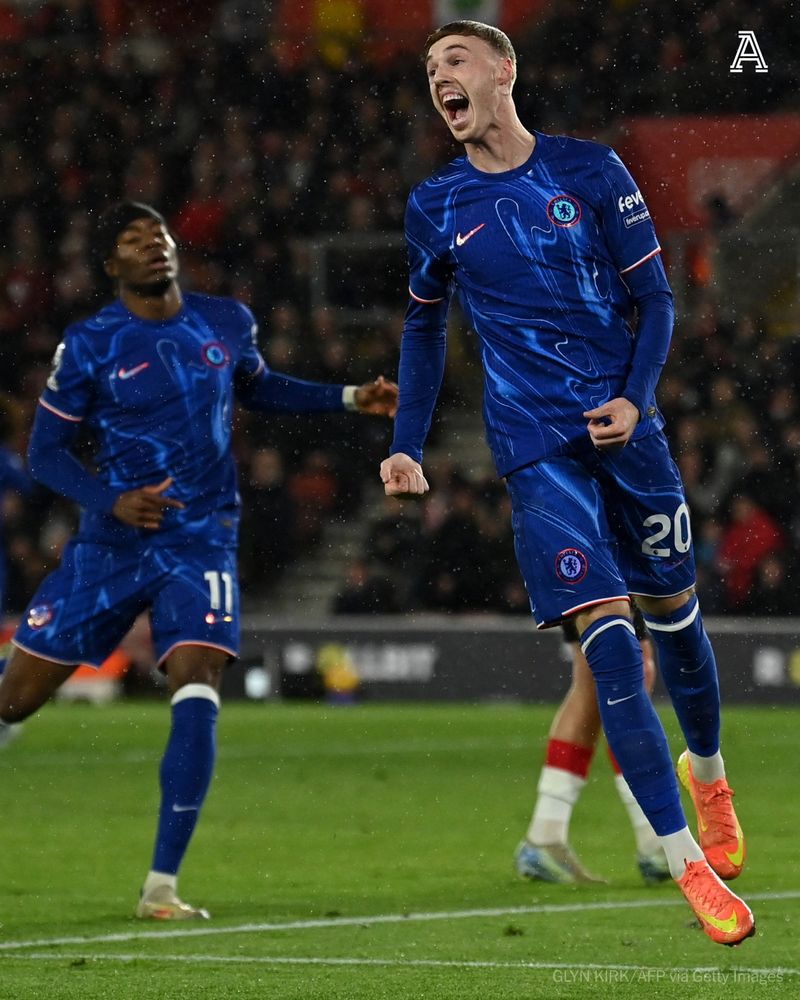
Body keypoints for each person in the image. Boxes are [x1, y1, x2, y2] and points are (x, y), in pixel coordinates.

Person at [380, 22, 753, 946]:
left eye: (455, 61)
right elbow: (424, 331)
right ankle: (684, 861)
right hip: (534, 450)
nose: (440, 79)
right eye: (430, 71)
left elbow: (656, 300)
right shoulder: (436, 204)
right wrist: (405, 441)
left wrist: (634, 400)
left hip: (627, 432)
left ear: (504, 71)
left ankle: (708, 776)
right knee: (610, 643)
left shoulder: (591, 172)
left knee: (679, 622)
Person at [0, 201, 398, 920]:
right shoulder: (90, 344)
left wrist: (346, 397)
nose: (153, 245)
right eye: (132, 239)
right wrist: (110, 500)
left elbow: (258, 386)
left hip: (202, 535)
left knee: (197, 674)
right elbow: (45, 454)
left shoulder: (225, 321)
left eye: (159, 233)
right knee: (14, 699)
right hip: (112, 542)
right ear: (112, 266)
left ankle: (162, 885)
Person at [516, 609, 671, 885]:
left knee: (592, 678)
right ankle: (655, 840)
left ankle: (546, 835)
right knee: (630, 668)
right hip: (602, 567)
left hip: (574, 567)